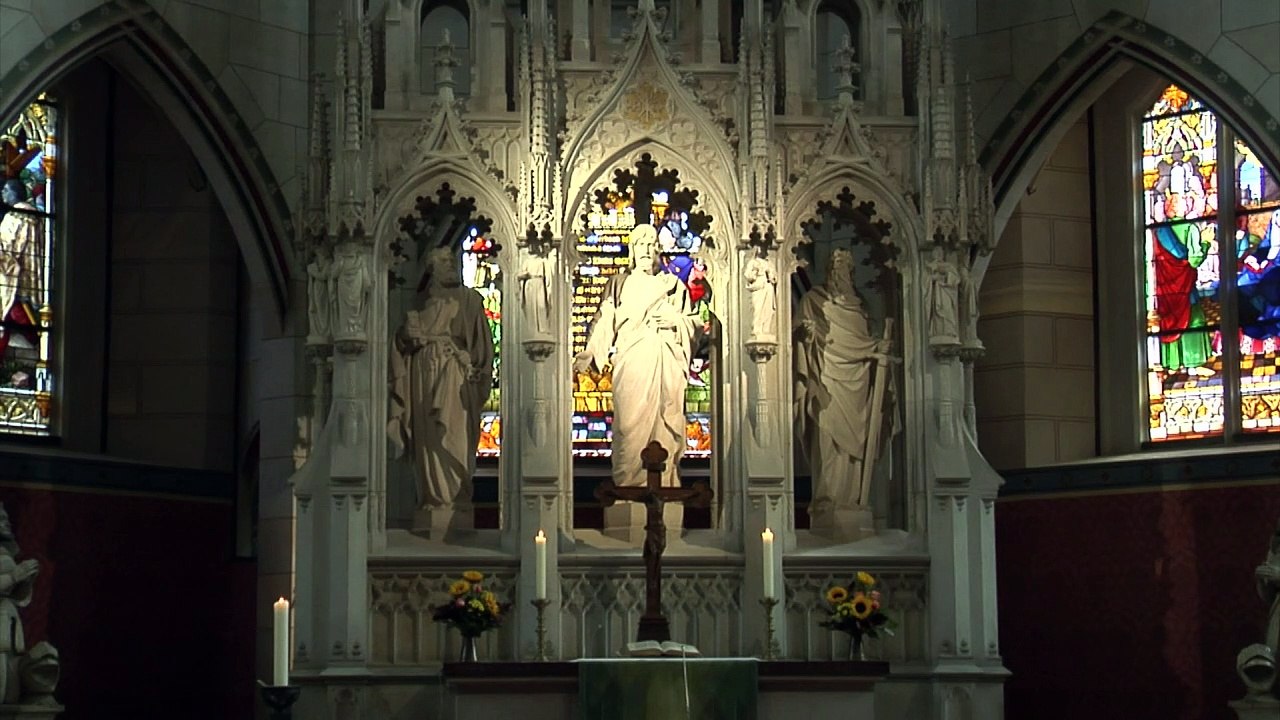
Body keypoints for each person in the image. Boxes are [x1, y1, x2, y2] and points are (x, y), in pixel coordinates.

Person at [573, 224, 700, 488]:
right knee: (628, 429)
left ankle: (665, 484)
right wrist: (591, 352)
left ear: (657, 249)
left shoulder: (672, 285)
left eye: (649, 243)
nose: (644, 249)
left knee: (663, 429)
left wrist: (674, 320)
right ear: (632, 250)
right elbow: (604, 321)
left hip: (664, 362)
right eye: (639, 244)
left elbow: (693, 325)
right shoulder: (619, 283)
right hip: (631, 363)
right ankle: (627, 485)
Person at [388, 247, 495, 510]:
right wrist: (405, 336)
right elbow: (400, 345)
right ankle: (432, 498)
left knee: (454, 435)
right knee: (428, 437)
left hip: (454, 376)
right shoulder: (419, 304)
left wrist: (472, 363)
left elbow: (482, 347)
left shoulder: (470, 300)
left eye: (453, 261)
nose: (452, 266)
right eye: (445, 262)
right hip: (422, 375)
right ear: (432, 268)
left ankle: (457, 496)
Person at [793, 248, 892, 514]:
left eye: (844, 268)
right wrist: (808, 334)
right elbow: (795, 335)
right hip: (826, 383)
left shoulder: (861, 308)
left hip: (856, 387)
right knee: (826, 441)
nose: (839, 273)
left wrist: (877, 348)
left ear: (851, 272)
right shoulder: (813, 300)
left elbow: (865, 342)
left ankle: (852, 501)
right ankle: (825, 499)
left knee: (853, 452)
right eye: (834, 267)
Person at [0, 179, 43, 357]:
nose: (2, 193)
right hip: (33, 276)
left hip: (14, 280)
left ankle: (42, 346)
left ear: (15, 193)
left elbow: (7, 249)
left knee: (10, 316)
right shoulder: (37, 216)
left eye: (5, 190)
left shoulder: (14, 216)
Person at [518, 244, 556, 338]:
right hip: (530, 284)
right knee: (531, 307)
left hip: (539, 284)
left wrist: (549, 289)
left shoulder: (543, 261)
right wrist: (525, 275)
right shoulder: (526, 262)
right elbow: (519, 275)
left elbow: (548, 277)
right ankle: (532, 330)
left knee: (541, 306)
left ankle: (542, 329)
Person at [744, 250, 778, 340]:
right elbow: (748, 275)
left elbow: (775, 278)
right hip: (758, 286)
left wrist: (771, 275)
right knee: (758, 308)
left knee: (768, 309)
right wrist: (754, 272)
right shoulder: (753, 262)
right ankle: (756, 329)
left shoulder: (769, 263)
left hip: (768, 286)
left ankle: (766, 329)